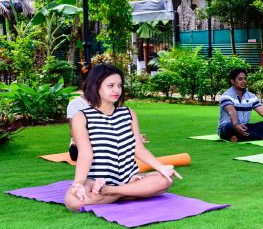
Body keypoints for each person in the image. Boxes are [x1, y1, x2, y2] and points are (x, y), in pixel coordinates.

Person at [64, 64, 182, 211]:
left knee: (165, 180)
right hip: (96, 179)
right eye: (111, 85)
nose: (116, 90)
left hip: (128, 176)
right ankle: (131, 192)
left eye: (119, 85)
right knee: (73, 202)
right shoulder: (81, 117)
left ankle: (112, 192)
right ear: (96, 86)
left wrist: (161, 167)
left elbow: (138, 149)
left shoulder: (128, 113)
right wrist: (78, 183)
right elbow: (85, 154)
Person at [218, 68, 263, 142]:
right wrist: (236, 125)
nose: (243, 81)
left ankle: (237, 137)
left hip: (245, 127)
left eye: (245, 79)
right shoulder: (226, 95)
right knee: (229, 127)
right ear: (232, 81)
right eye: (240, 79)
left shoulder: (251, 96)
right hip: (229, 127)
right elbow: (232, 112)